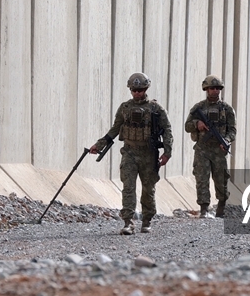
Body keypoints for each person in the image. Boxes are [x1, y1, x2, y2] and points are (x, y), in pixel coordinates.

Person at [89, 73, 173, 235]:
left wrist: (167, 152)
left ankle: (147, 220)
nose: (137, 93)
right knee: (128, 187)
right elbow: (115, 129)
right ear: (130, 90)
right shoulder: (125, 108)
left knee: (148, 189)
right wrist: (99, 145)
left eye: (140, 90)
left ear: (146, 89)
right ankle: (128, 222)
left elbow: (167, 130)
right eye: (134, 90)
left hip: (149, 154)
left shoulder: (156, 109)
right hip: (129, 152)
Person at [185, 75, 237, 218]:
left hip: (219, 150)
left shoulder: (227, 109)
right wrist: (197, 124)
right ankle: (203, 209)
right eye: (212, 88)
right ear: (206, 89)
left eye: (217, 88)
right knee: (202, 178)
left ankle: (221, 207)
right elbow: (187, 126)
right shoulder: (199, 108)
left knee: (221, 180)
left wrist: (226, 140)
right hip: (202, 149)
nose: (215, 91)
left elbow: (232, 130)